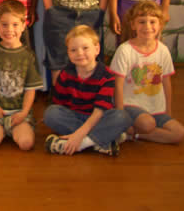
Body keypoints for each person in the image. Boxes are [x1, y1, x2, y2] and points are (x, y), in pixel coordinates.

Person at [44, 25, 131, 156]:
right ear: (68, 53)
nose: (79, 53)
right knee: (51, 114)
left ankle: (82, 144)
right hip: (75, 117)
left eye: (85, 48)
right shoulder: (65, 74)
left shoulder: (107, 75)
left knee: (122, 117)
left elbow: (99, 111)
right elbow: (59, 105)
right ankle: (101, 139)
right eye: (73, 50)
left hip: (99, 117)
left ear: (97, 49)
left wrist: (79, 134)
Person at [111, 0, 184, 144]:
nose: (147, 26)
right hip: (130, 105)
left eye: (152, 22)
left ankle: (134, 135)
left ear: (160, 25)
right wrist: (120, 117)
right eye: (141, 22)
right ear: (133, 25)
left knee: (179, 133)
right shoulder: (125, 50)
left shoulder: (163, 50)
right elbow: (117, 85)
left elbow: (166, 83)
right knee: (147, 124)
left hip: (155, 108)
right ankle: (127, 128)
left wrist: (168, 112)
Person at [0, 0, 43, 150]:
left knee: (26, 144)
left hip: (18, 113)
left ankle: (16, 129)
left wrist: (24, 112)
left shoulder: (28, 56)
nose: (9, 29)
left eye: (15, 25)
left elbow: (31, 90)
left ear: (23, 26)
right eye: (4, 25)